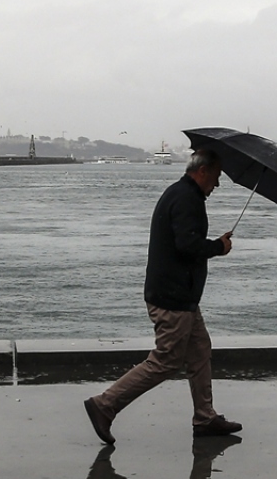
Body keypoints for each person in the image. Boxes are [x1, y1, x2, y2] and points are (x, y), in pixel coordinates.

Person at [85, 149, 242, 444]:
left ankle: (205, 417)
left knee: (199, 350)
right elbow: (186, 245)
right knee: (166, 360)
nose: (218, 184)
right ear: (203, 171)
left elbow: (183, 242)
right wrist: (218, 248)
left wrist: (211, 245)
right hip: (173, 297)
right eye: (217, 176)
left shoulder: (180, 194)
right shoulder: (187, 199)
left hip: (179, 295)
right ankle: (105, 404)